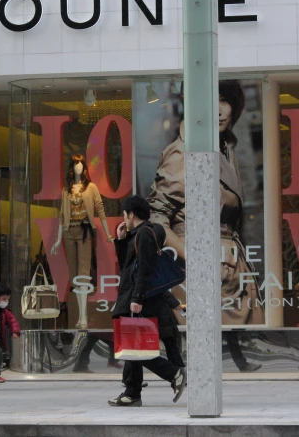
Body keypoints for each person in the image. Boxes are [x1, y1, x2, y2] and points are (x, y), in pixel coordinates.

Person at [147, 79, 263, 371]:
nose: (221, 110)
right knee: (208, 358)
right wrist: (197, 258)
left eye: (226, 101)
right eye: (213, 99)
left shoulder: (225, 149)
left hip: (232, 271)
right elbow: (159, 219)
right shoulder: (182, 153)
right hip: (200, 272)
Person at [109, 195, 186, 407]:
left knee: (135, 348)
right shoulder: (137, 235)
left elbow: (144, 269)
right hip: (135, 296)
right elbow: (127, 266)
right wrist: (122, 240)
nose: (123, 217)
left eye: (124, 214)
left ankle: (173, 374)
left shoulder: (143, 234)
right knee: (131, 347)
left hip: (137, 298)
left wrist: (136, 298)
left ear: (131, 214)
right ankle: (132, 392)